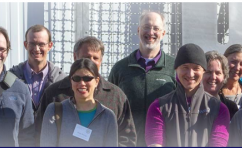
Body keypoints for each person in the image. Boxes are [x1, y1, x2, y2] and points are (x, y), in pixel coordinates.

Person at [36, 36, 137, 146]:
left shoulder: (116, 96)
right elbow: (39, 134)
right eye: (87, 57)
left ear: (101, 60)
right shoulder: (54, 94)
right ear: (75, 57)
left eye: (95, 58)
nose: (91, 62)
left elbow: (127, 139)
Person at [108, 11, 176, 146]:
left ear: (163, 33)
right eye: (146, 27)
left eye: (156, 28)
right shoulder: (120, 68)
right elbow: (109, 107)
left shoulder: (174, 67)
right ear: (138, 30)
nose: (151, 32)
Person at [144, 43, 230, 147]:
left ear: (203, 71)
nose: (190, 74)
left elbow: (218, 144)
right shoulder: (159, 107)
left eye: (196, 68)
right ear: (176, 69)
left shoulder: (219, 109)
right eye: (185, 67)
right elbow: (155, 144)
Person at [40, 58, 118, 147]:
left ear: (96, 81)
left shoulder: (108, 116)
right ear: (71, 81)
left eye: (87, 78)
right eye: (76, 78)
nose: (82, 83)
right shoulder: (54, 111)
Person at [9, 24, 67, 111]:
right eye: (32, 43)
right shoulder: (11, 77)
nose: (36, 49)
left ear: (50, 46)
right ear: (25, 45)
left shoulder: (61, 79)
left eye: (41, 44)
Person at [203, 50, 239, 118]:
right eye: (208, 72)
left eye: (218, 73)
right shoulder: (191, 105)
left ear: (224, 76)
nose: (213, 77)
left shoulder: (231, 108)